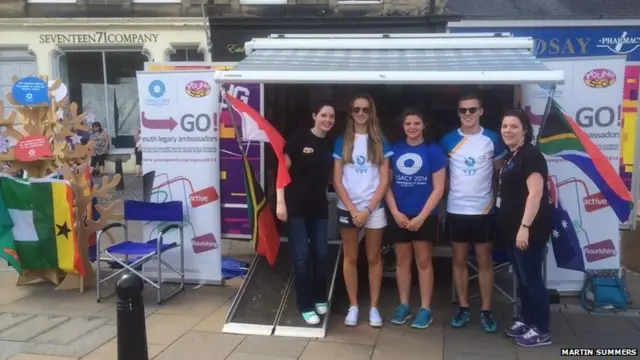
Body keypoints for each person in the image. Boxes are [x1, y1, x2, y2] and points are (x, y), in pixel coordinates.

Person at [439, 94, 506, 333]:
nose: (467, 114)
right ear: (458, 113)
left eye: (472, 110)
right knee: (459, 261)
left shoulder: (492, 138)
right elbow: (442, 176)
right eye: (463, 110)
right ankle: (464, 307)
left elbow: (500, 174)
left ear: (481, 111)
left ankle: (486, 310)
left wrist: (497, 202)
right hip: (456, 208)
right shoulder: (447, 140)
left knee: (484, 260)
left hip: (484, 209)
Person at [333, 94, 392, 328]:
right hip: (348, 207)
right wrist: (352, 209)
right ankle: (354, 305)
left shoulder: (380, 142)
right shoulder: (341, 141)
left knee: (374, 257)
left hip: (373, 208)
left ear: (371, 113)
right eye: (356, 109)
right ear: (350, 112)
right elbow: (337, 181)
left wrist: (367, 209)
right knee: (350, 257)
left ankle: (374, 307)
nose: (360, 113)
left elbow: (385, 181)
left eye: (365, 109)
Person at [385, 109, 446, 329]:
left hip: (424, 215)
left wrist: (422, 216)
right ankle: (403, 305)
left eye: (416, 123)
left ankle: (425, 309)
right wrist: (394, 212)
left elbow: (439, 188)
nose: (412, 127)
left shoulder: (433, 151)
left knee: (423, 261)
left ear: (424, 125)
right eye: (408, 123)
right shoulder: (395, 150)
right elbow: (386, 185)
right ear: (403, 126)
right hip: (400, 214)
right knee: (402, 261)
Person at [497, 109, 552, 347]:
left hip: (527, 230)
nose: (508, 130)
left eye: (513, 126)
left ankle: (542, 330)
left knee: (531, 281)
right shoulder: (513, 155)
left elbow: (536, 193)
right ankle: (527, 321)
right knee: (521, 279)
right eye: (505, 126)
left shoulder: (530, 155)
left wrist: (525, 226)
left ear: (525, 130)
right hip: (511, 230)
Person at [277, 101, 336, 325]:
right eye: (323, 115)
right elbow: (282, 172)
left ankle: (321, 297)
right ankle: (306, 305)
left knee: (321, 255)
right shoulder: (298, 141)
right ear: (314, 116)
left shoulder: (330, 143)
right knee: (301, 258)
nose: (327, 120)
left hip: (319, 208)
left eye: (331, 117)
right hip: (296, 209)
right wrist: (280, 202)